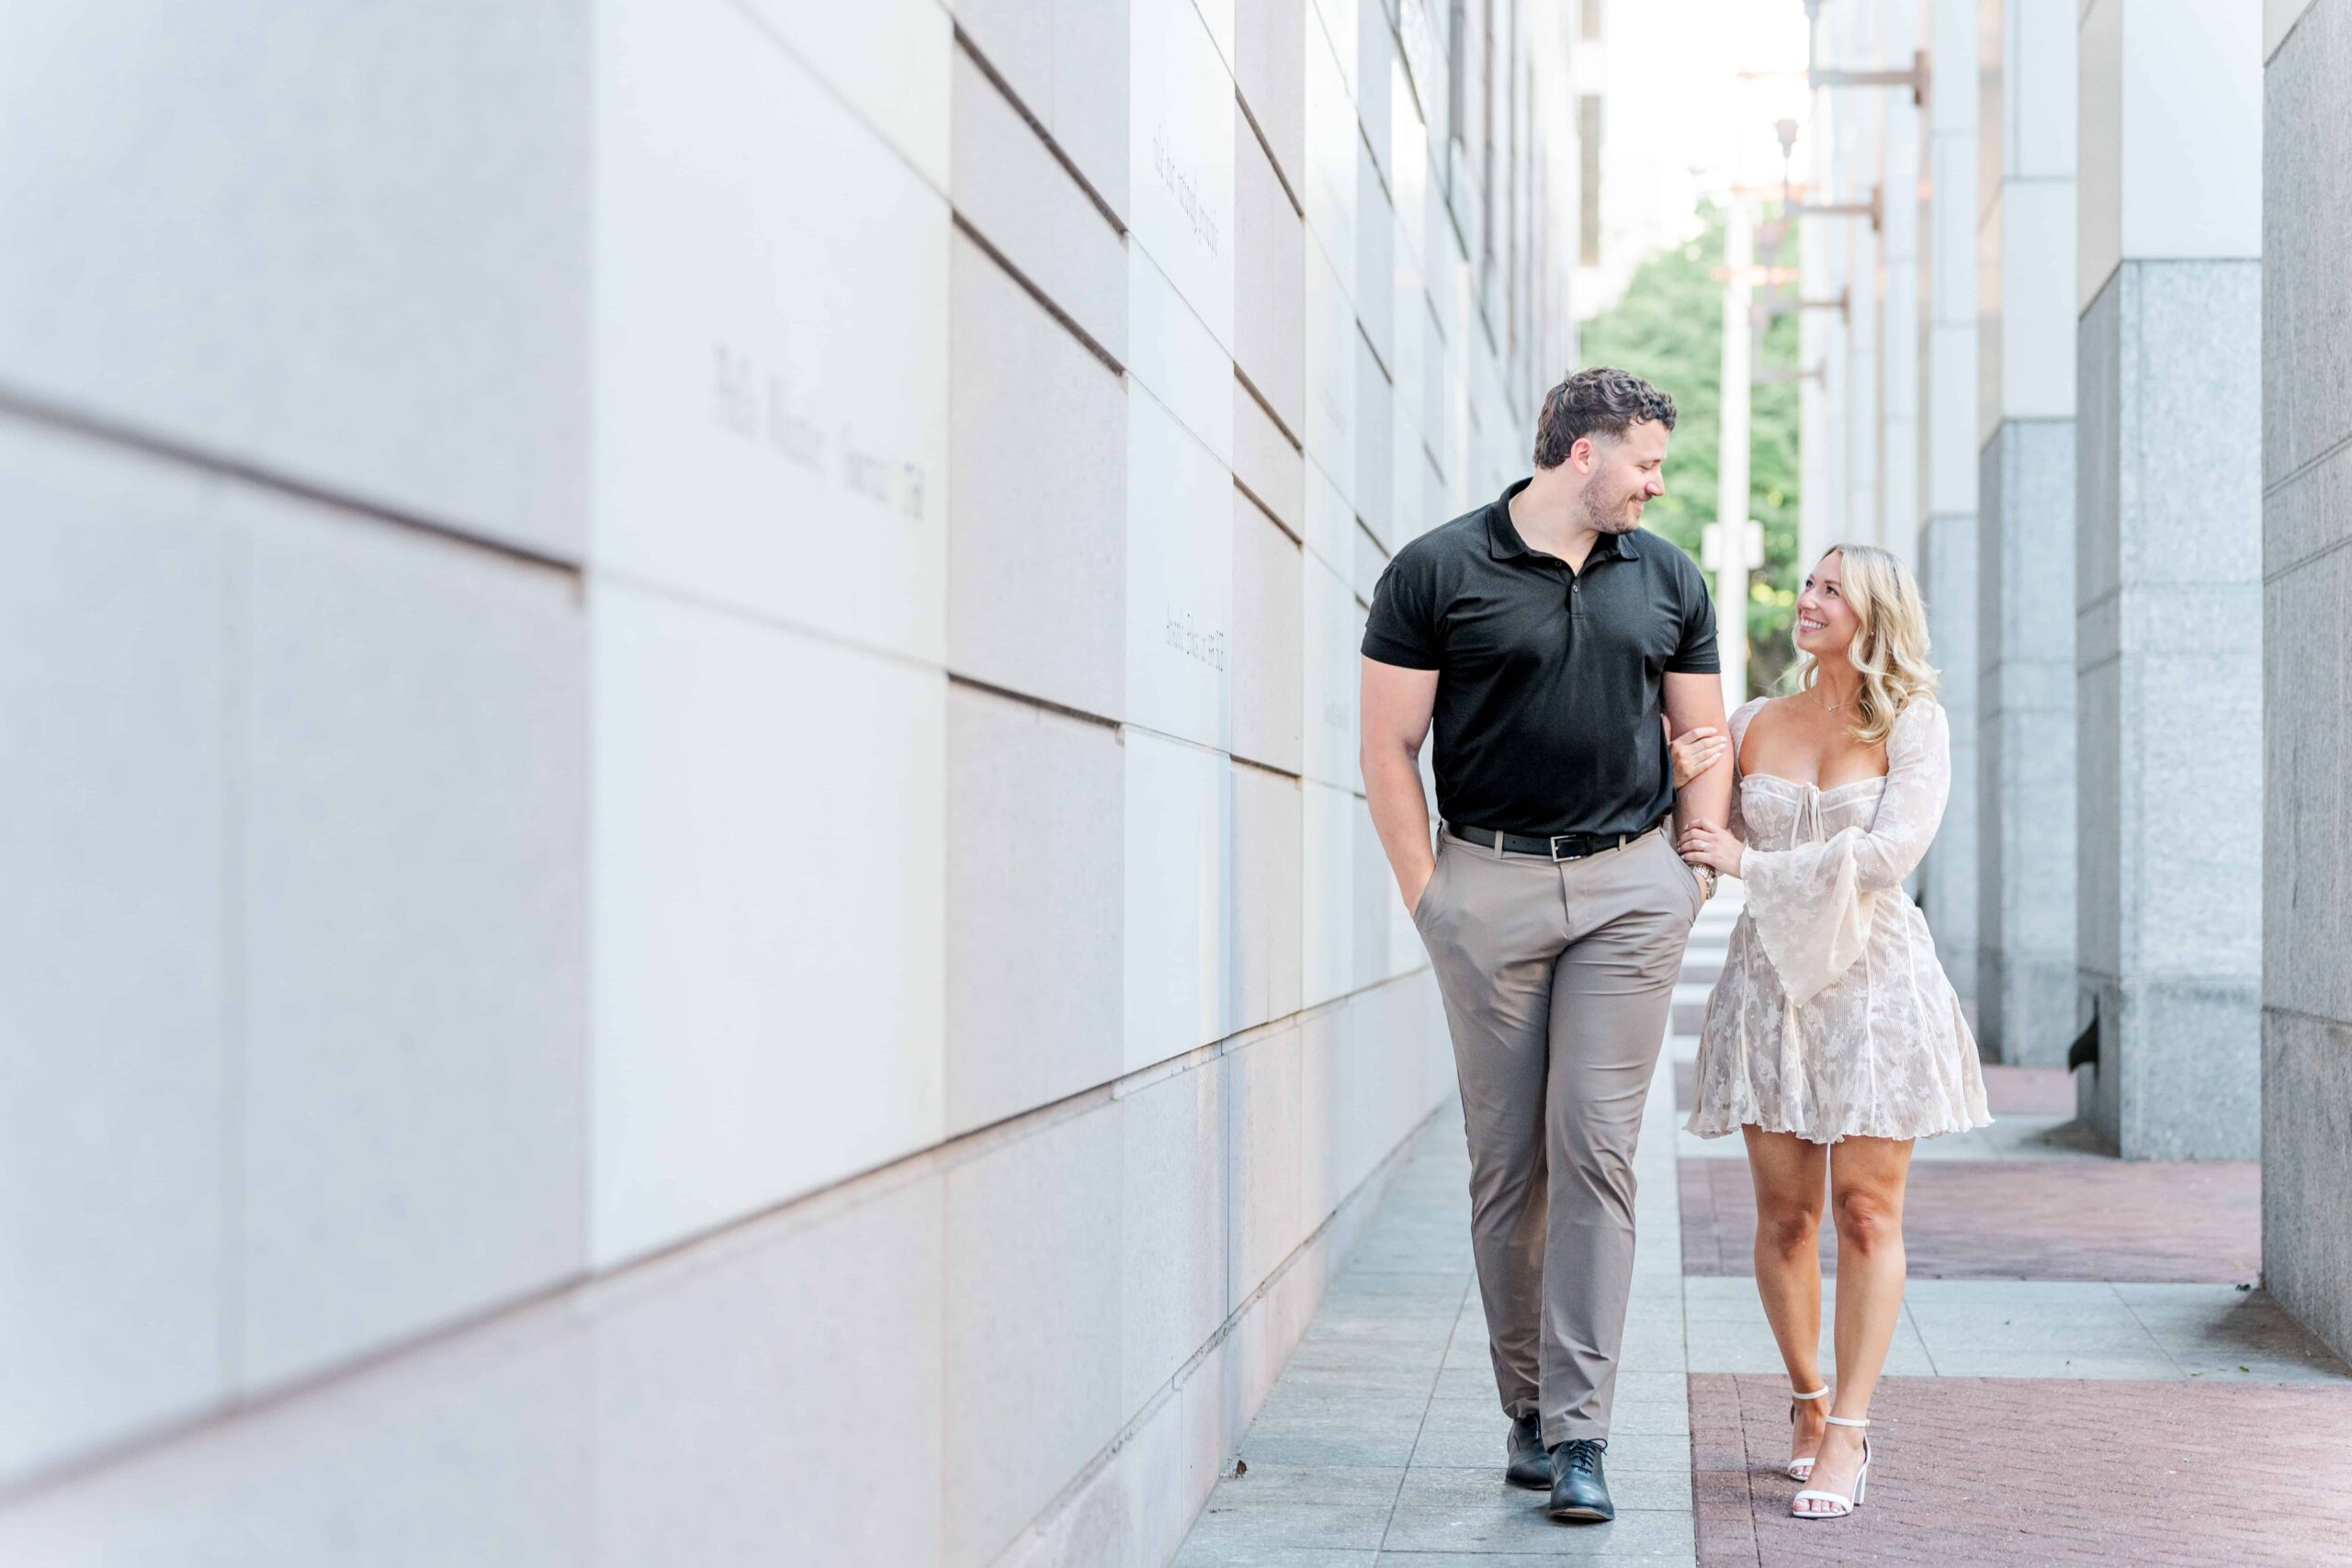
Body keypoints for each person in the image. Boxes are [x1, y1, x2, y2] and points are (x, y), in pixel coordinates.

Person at [1360, 367, 1731, 1523]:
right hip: (1488, 884)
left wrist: (1698, 854)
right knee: (1505, 1164)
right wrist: (1434, 901)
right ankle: (1523, 1405)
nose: (1656, 483)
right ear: (1583, 452)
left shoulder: (1667, 576)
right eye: (1647, 461)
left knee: (1597, 1153)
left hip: (1628, 891)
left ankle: (1581, 1433)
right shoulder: (1435, 570)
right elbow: (1387, 749)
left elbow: (1702, 729)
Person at [1670, 543, 1990, 1522]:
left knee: (1863, 1213)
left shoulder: (1914, 725)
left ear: (1873, 612)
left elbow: (1889, 855)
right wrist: (1675, 772)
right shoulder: (1752, 721)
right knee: (1784, 1219)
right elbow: (1695, 839)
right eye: (1806, 584)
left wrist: (1749, 865)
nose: (1806, 601)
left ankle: (1850, 1430)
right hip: (1770, 989)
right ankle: (1807, 1399)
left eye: (1828, 590)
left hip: (1875, 990)